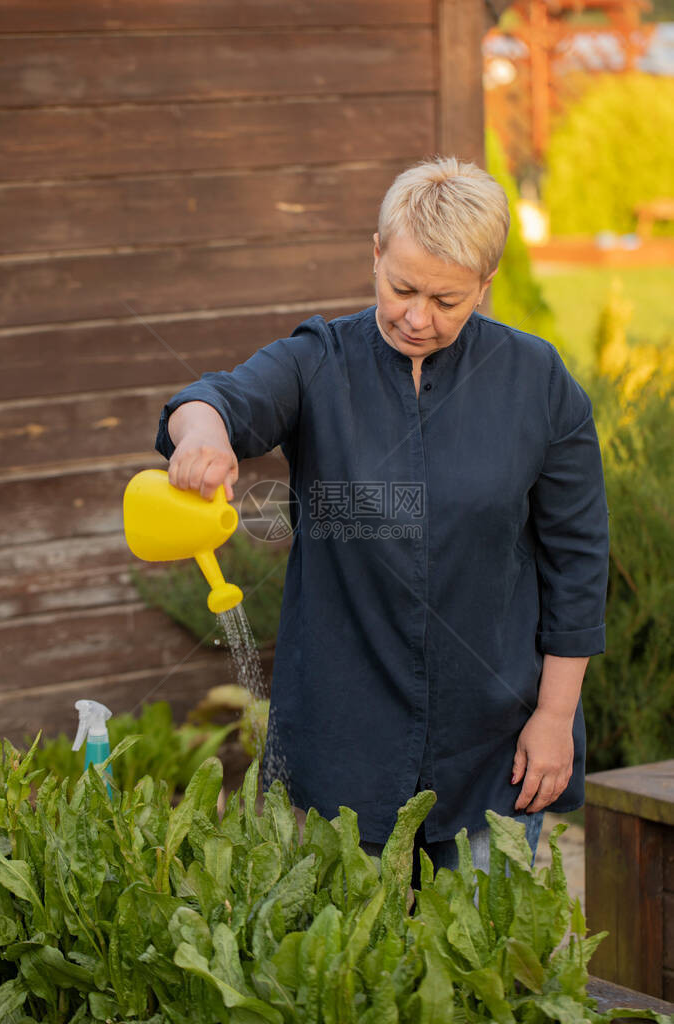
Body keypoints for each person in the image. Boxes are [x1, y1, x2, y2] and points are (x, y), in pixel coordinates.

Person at [155, 157, 609, 878]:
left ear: (485, 287)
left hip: (497, 745)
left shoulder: (538, 382)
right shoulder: (315, 363)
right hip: (339, 744)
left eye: (447, 299)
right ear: (374, 253)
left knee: (481, 977)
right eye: (400, 287)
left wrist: (554, 718)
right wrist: (203, 437)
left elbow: (577, 560)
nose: (417, 317)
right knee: (343, 977)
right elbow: (215, 398)